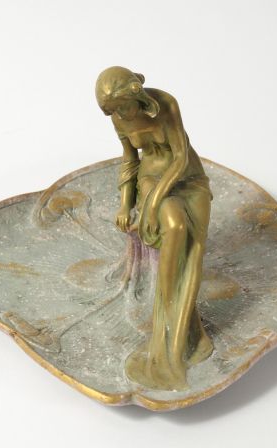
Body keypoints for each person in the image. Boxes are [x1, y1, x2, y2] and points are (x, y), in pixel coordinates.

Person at [96, 66, 214, 390]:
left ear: (135, 94)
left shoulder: (167, 104)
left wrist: (152, 204)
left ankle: (189, 337)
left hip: (187, 179)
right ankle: (168, 339)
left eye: (123, 107)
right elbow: (130, 161)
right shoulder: (119, 119)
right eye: (114, 111)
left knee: (192, 250)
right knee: (174, 226)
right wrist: (126, 204)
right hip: (150, 180)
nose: (121, 115)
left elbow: (180, 157)